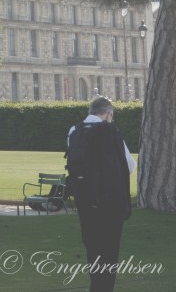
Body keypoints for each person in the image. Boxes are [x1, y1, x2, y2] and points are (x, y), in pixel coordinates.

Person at [67, 96, 135, 292]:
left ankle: (95, 285)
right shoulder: (111, 130)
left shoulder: (75, 131)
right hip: (109, 199)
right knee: (110, 248)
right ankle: (105, 287)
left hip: (85, 199)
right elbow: (129, 165)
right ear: (108, 114)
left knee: (92, 244)